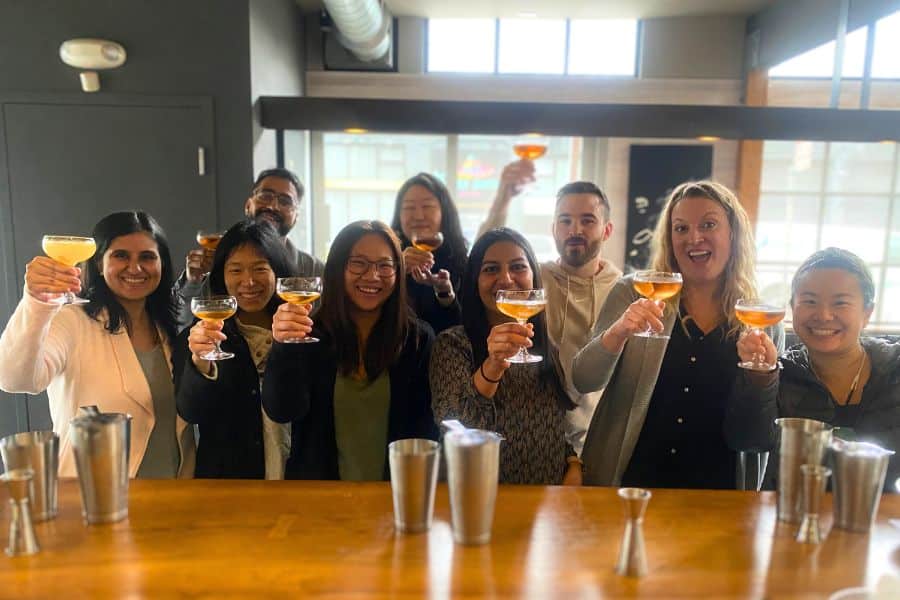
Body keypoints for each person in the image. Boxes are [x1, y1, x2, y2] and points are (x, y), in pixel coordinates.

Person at [573, 181, 784, 489]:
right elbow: (583, 379)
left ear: (733, 234)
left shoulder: (759, 320)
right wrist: (618, 332)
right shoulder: (634, 293)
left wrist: (761, 378)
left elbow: (755, 438)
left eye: (709, 224)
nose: (693, 238)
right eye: (681, 228)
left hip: (720, 496)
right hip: (632, 485)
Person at [0, 211, 196, 478]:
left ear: (162, 264)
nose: (135, 268)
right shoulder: (71, 321)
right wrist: (36, 302)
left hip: (171, 495)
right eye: (121, 256)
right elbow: (15, 378)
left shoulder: (169, 327)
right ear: (99, 264)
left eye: (147, 257)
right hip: (95, 497)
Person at [261, 220, 438, 480]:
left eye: (384, 265)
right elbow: (282, 409)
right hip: (319, 499)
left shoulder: (417, 340)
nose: (372, 276)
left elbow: (424, 432)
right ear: (336, 268)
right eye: (358, 263)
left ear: (398, 272)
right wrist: (283, 346)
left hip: (393, 498)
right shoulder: (309, 333)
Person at [479, 170, 622, 479]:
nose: (575, 230)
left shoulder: (624, 289)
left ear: (607, 230)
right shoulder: (533, 282)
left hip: (603, 438)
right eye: (566, 220)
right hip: (543, 439)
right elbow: (483, 254)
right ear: (553, 228)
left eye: (587, 220)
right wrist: (504, 194)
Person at [725, 248, 900, 491]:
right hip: (791, 518)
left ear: (867, 313)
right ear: (792, 308)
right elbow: (747, 440)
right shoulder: (783, 373)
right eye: (809, 301)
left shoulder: (894, 369)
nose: (824, 315)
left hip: (880, 521)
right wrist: (761, 376)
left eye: (840, 303)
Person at [429, 227, 573, 485]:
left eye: (518, 267)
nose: (506, 279)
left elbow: (548, 423)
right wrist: (493, 365)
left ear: (533, 276)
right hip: (477, 499)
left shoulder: (543, 344)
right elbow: (456, 426)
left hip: (542, 504)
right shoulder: (453, 344)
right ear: (475, 280)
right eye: (491, 269)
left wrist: (572, 461)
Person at [174, 220, 296, 479]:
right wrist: (200, 360)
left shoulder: (303, 332)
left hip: (298, 483)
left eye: (260, 268)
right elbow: (190, 410)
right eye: (236, 270)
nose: (248, 281)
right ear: (221, 276)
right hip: (227, 488)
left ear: (278, 272)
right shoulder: (201, 335)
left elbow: (293, 407)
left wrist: (284, 346)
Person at [175, 167, 323, 328]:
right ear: (248, 205)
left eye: (285, 201)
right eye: (266, 196)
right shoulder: (218, 262)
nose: (273, 206)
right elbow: (182, 325)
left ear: (296, 216)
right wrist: (193, 281)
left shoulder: (314, 269)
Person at [391, 173, 468, 334]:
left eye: (427, 206)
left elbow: (466, 329)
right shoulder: (387, 262)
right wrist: (396, 272)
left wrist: (445, 293)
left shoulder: (464, 264)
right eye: (409, 208)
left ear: (444, 213)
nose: (418, 216)